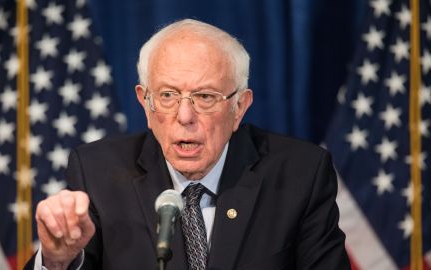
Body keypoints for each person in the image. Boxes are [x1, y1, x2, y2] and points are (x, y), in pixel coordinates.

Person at [26, 19, 351, 269]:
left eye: (205, 97)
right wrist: (57, 261)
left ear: (239, 107)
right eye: (167, 95)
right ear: (146, 104)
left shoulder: (300, 174)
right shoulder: (98, 172)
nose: (185, 116)